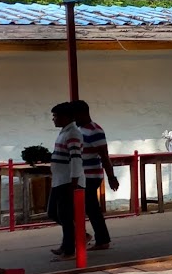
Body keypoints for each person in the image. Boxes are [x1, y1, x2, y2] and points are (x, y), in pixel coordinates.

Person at [73, 100, 120, 252]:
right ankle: (101, 239)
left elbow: (104, 155)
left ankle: (101, 239)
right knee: (91, 208)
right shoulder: (78, 130)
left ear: (83, 113)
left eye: (75, 114)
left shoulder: (95, 131)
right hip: (82, 175)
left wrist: (111, 177)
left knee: (91, 208)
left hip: (91, 175)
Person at [48, 102, 85, 259]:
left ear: (66, 117)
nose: (54, 119)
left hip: (67, 181)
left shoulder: (73, 134)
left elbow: (76, 159)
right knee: (54, 213)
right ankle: (75, 237)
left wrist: (74, 181)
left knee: (65, 215)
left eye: (56, 116)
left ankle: (69, 248)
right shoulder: (64, 133)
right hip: (59, 180)